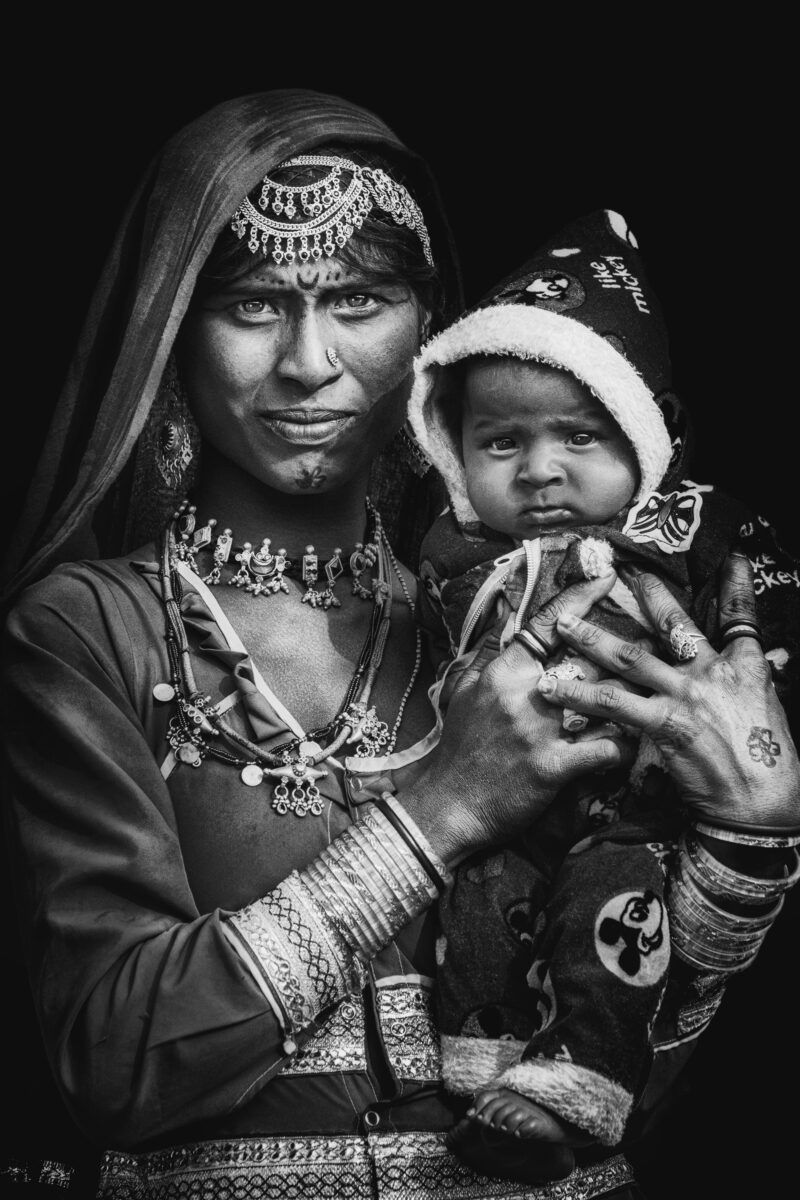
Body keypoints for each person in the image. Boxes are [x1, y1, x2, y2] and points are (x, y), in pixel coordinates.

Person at [1, 91, 797, 1200]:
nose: (308, 361)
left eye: (360, 299)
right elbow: (115, 1063)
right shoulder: (88, 632)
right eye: (250, 305)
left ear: (428, 335)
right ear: (171, 333)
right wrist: (440, 811)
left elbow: (626, 1093)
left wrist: (744, 846)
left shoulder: (523, 613)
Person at [406, 208, 800, 1169]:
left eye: (579, 437)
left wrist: (767, 677)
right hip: (500, 801)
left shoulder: (690, 533)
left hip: (633, 807)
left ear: (645, 432)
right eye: (500, 443)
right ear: (454, 450)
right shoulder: (447, 555)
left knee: (606, 910)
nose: (541, 469)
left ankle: (582, 1089)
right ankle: (481, 1070)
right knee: (481, 907)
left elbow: (765, 624)